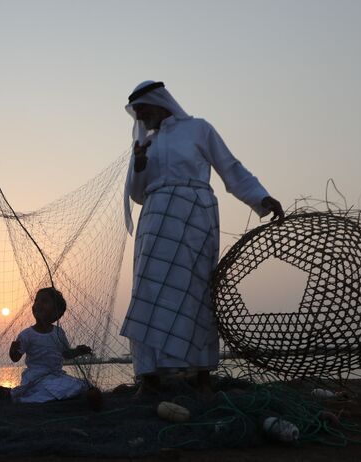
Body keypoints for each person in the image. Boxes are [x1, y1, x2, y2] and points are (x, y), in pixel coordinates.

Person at [120, 80, 284, 396]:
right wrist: (140, 165)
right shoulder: (146, 145)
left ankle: (202, 375)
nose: (141, 119)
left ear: (159, 103)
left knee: (197, 289)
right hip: (155, 219)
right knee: (148, 292)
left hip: (195, 216)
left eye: (143, 111)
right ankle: (149, 376)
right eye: (136, 115)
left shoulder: (198, 129)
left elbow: (231, 168)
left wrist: (261, 198)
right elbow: (138, 195)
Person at [0, 287, 93, 403]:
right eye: (36, 300)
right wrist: (13, 351)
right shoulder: (27, 335)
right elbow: (15, 358)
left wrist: (78, 351)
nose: (38, 304)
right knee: (51, 390)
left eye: (44, 301)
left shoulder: (59, 333)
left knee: (80, 384)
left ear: (56, 312)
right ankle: (14, 393)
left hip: (56, 375)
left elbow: (66, 354)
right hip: (35, 378)